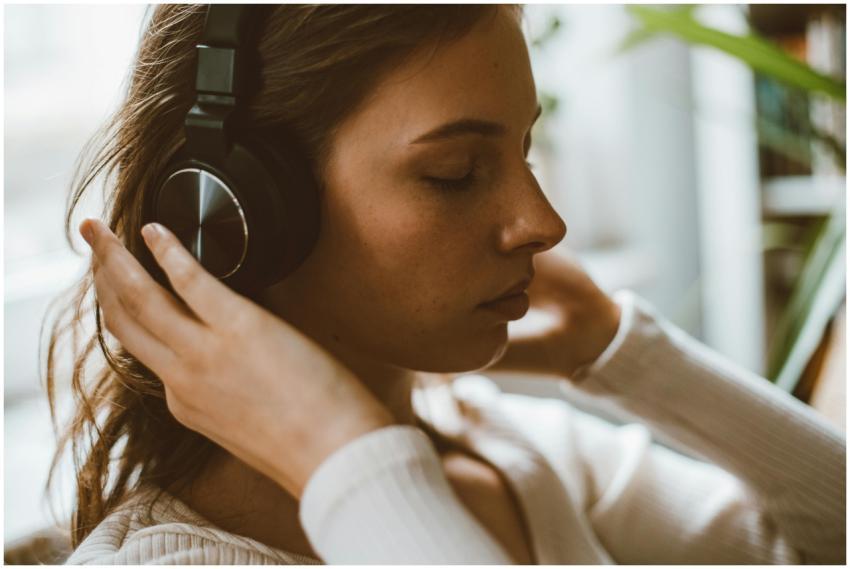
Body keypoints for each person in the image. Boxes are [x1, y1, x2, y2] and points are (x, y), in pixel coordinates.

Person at [48, 4, 844, 565]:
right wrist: (345, 457)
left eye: (525, 150)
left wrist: (622, 351)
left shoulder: (516, 452)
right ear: (243, 208)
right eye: (455, 172)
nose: (543, 221)